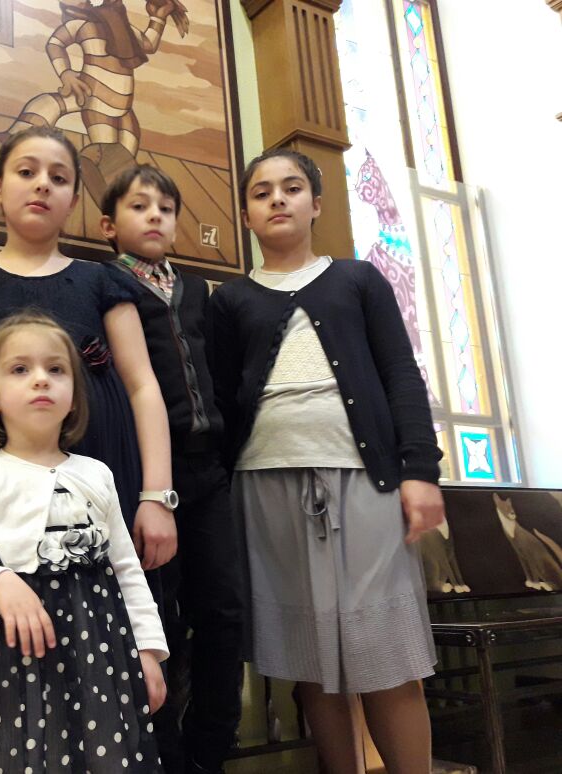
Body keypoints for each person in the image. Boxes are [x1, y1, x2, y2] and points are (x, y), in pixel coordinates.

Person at [208, 148, 444, 774]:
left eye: (291, 188)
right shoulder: (229, 301)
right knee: (308, 656)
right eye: (261, 192)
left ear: (316, 204)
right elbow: (224, 400)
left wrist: (420, 471)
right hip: (263, 486)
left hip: (366, 480)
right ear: (246, 215)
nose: (277, 199)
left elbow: (400, 374)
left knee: (388, 653)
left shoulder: (359, 280)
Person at [0, 125, 177, 579]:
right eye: (27, 172)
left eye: (59, 178)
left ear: (73, 199)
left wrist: (157, 496)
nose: (43, 184)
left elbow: (142, 385)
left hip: (109, 467)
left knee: (119, 604)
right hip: (6, 482)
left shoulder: (105, 281)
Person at [0, 311, 168, 772]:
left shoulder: (97, 475)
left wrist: (149, 652)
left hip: (102, 659)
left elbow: (126, 570)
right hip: (14, 663)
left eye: (56, 369)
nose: (41, 379)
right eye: (20, 369)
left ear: (74, 395)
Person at [101, 164, 243, 774]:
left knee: (223, 611)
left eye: (165, 207)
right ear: (109, 226)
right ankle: (162, 753)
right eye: (139, 206)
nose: (155, 215)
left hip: (209, 472)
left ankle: (212, 748)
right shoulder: (105, 285)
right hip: (146, 475)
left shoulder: (198, 290)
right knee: (157, 617)